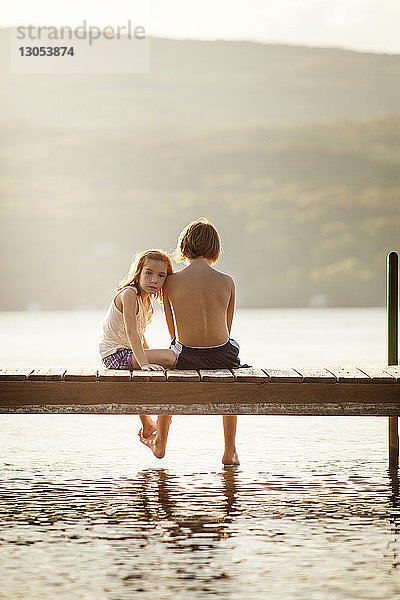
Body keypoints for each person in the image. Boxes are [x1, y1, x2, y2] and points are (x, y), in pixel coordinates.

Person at [139, 219, 242, 465]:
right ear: (215, 248)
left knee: (169, 375)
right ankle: (230, 451)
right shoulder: (227, 281)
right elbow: (227, 328)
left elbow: (172, 329)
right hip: (222, 355)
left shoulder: (171, 282)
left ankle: (160, 442)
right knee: (231, 376)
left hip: (186, 355)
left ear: (184, 247)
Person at [99, 249, 177, 439]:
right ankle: (152, 421)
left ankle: (148, 424)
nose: (154, 280)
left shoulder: (147, 301)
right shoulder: (129, 294)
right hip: (115, 355)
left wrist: (150, 359)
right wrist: (144, 363)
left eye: (161, 276)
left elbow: (141, 337)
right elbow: (131, 333)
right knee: (171, 356)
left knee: (163, 361)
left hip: (128, 352)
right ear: (138, 272)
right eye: (148, 273)